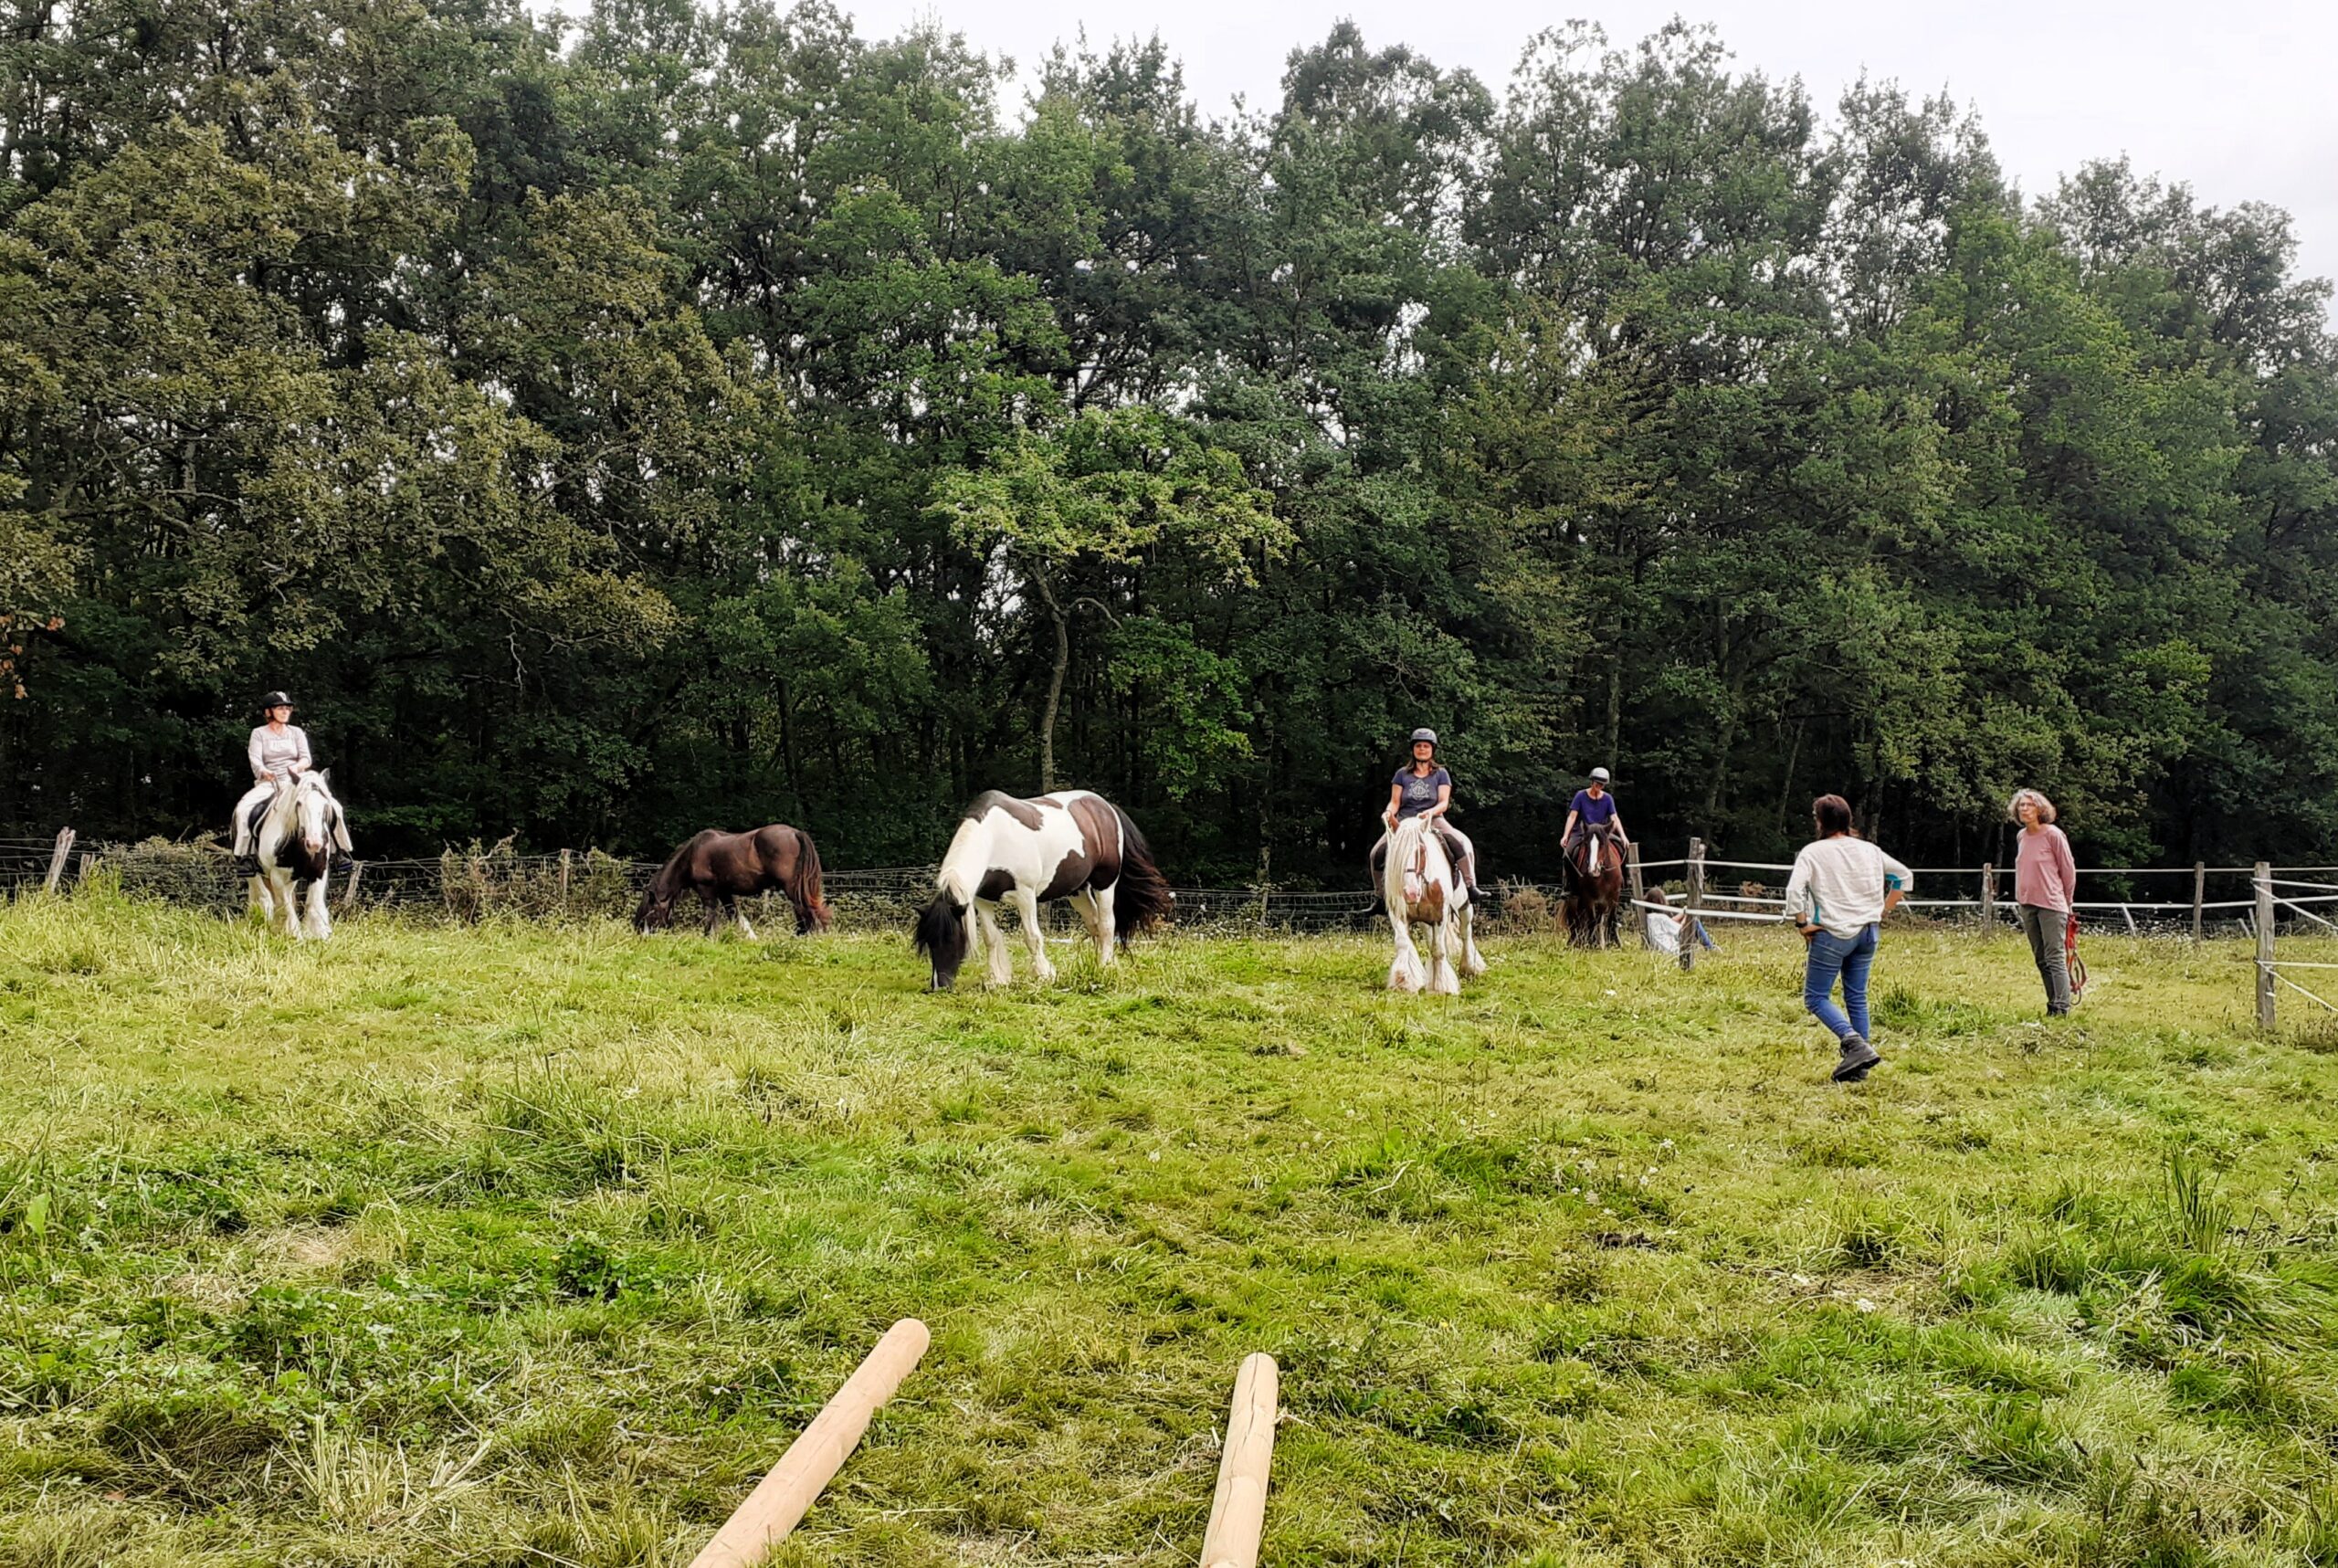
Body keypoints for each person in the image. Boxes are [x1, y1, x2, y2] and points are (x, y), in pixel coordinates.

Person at [1785, 795, 1913, 1083]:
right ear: (1848, 820)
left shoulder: (1813, 852)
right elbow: (1904, 877)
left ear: (1820, 821)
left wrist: (1802, 924)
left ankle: (1853, 1043)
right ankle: (1860, 1067)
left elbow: (1794, 892)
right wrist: (1883, 909)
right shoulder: (1869, 850)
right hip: (1868, 931)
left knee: (1816, 997)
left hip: (1832, 933)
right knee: (1856, 996)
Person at [1371, 728, 1480, 899]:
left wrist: (1430, 812)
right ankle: (1380, 897)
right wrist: (1388, 812)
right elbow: (1395, 802)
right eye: (1418, 746)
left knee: (1458, 842)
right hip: (1405, 821)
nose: (1422, 749)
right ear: (1413, 749)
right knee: (1376, 853)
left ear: (1432, 749)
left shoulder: (1441, 774)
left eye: (1426, 746)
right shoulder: (1402, 774)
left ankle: (1470, 887)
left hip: (1433, 819)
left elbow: (1444, 802)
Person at [2011, 788, 2078, 1016]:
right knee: (2041, 958)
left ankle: (2062, 1007)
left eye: (2028, 805)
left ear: (2041, 809)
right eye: (2021, 805)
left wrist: (2067, 902)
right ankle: (2052, 1004)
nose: (2024, 809)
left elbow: (2068, 870)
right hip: (2028, 903)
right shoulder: (2022, 836)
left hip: (2051, 904)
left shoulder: (2053, 835)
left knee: (2055, 956)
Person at [233, 690, 312, 872]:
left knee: (331, 806)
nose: (285, 711)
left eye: (287, 708)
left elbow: (306, 758)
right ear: (269, 712)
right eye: (280, 708)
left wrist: (298, 767)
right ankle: (246, 855)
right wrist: (263, 771)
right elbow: (255, 759)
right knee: (243, 810)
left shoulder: (297, 732)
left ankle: (338, 852)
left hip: (295, 782)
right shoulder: (258, 733)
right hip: (269, 783)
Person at [1561, 768, 1629, 864]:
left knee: (1623, 848)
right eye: (1597, 783)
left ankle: (1626, 877)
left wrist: (1623, 836)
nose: (1599, 786)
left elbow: (1614, 818)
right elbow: (1572, 817)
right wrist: (1565, 835)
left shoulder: (1608, 798)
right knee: (1567, 854)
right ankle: (1569, 878)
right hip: (1583, 832)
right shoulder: (1580, 796)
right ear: (1592, 782)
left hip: (1602, 833)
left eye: (1602, 784)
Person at [1640, 887, 1718, 957]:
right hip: (1672, 950)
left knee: (1690, 921)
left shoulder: (1650, 917)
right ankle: (1710, 948)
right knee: (1695, 922)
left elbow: (1670, 922)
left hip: (1660, 949)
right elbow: (1680, 929)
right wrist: (1688, 915)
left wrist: (1683, 913)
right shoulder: (1661, 918)